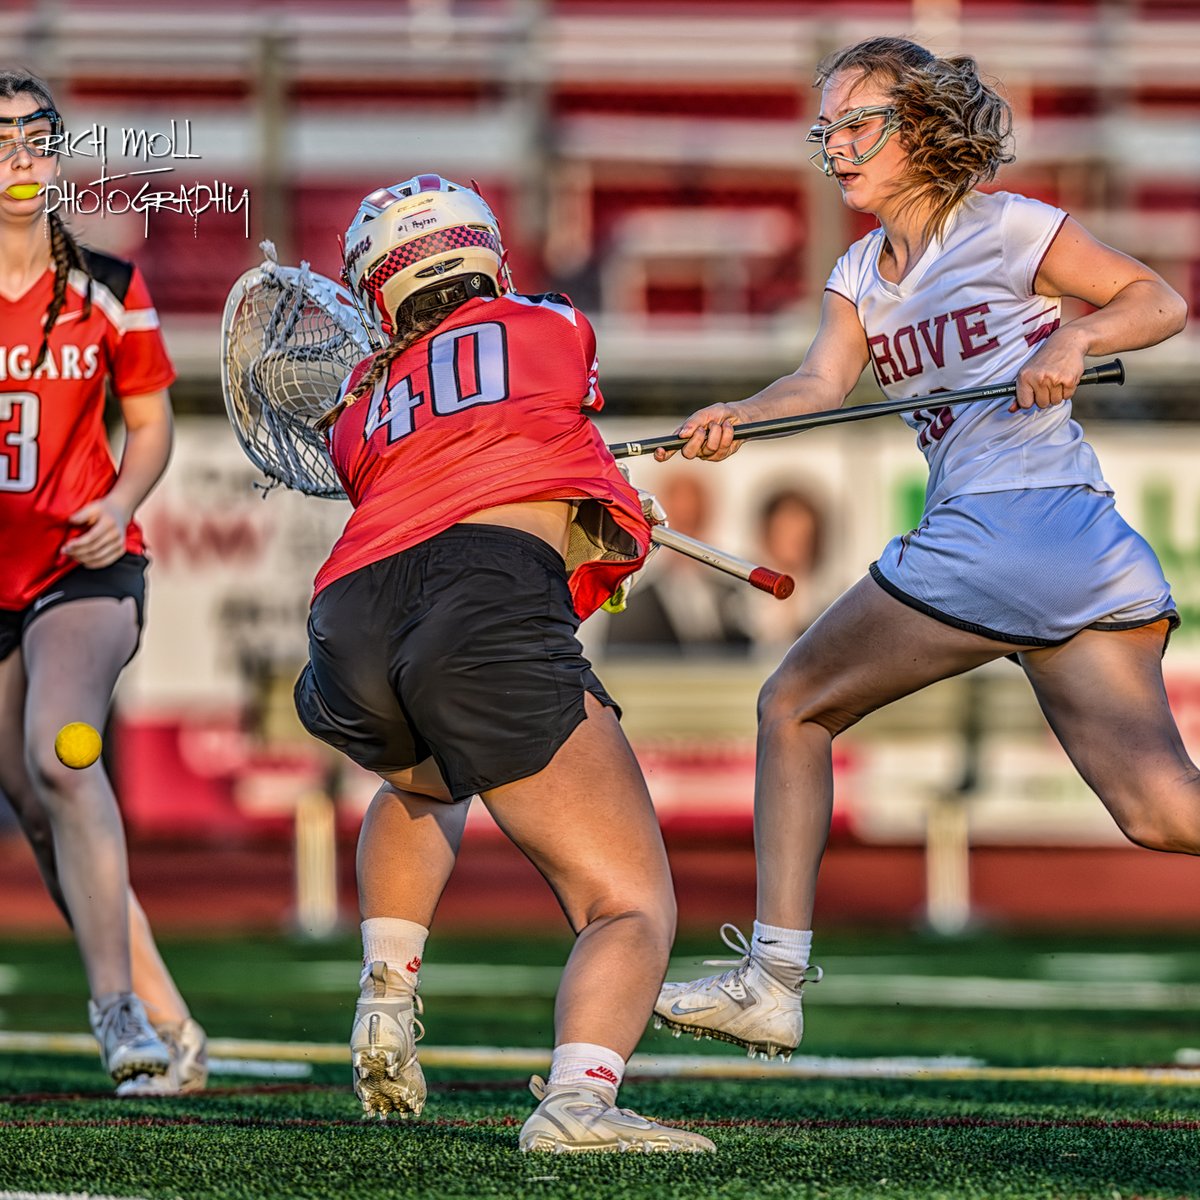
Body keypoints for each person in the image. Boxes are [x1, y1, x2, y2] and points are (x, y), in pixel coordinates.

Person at [649, 37, 1191, 1062]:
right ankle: (769, 981)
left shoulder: (1005, 225)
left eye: (858, 125)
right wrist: (737, 417)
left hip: (1013, 522)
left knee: (792, 704)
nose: (837, 148)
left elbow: (1156, 301)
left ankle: (771, 981)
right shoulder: (860, 271)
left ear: (922, 129)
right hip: (1069, 548)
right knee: (1163, 812)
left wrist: (1073, 340)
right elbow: (816, 386)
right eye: (826, 132)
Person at [293, 174, 714, 1153]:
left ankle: (387, 992)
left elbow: (462, 467)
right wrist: (607, 513)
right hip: (481, 597)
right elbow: (527, 496)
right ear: (482, 251)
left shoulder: (358, 402)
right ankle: (579, 1102)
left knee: (431, 775)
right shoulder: (551, 323)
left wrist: (594, 496)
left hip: (346, 614)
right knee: (629, 901)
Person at [0, 70, 206, 1095]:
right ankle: (168, 1018)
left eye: (37, 140)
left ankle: (118, 1018)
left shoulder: (109, 287)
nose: (21, 160)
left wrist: (122, 503)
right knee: (39, 812)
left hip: (79, 573)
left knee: (63, 758)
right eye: (1, 142)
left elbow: (154, 423)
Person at [603, 470, 752, 655]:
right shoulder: (633, 604)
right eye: (678, 527)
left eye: (694, 521)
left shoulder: (733, 595)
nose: (686, 541)